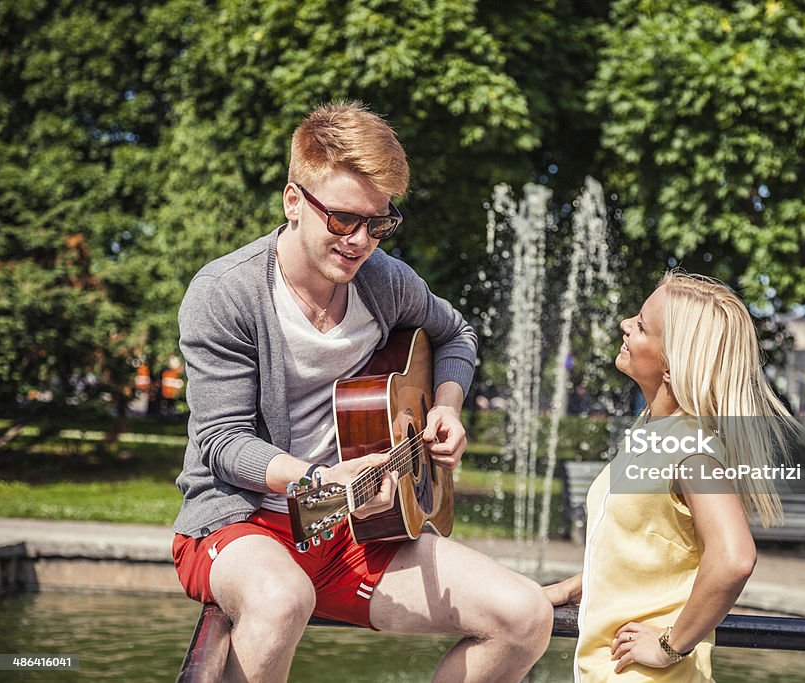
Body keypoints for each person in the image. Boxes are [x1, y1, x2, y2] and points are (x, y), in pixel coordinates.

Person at [171, 101, 552, 682]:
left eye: (379, 224)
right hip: (243, 524)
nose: (361, 242)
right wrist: (313, 481)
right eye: (344, 219)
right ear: (294, 201)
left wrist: (446, 408)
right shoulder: (225, 293)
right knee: (280, 599)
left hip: (359, 528)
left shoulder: (386, 282)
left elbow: (457, 334)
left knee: (525, 616)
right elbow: (221, 441)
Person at [544, 271, 801, 681]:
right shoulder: (657, 437)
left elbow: (734, 557)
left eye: (642, 326)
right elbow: (646, 554)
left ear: (670, 365)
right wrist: (576, 587)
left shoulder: (689, 449)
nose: (626, 325)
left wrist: (669, 646)